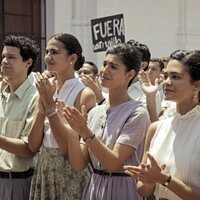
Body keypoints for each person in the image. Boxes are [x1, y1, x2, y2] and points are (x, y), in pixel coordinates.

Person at [60, 43, 150, 200]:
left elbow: (113, 163)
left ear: (130, 74)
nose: (104, 70)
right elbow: (78, 164)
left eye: (113, 67)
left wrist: (85, 131)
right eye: (104, 64)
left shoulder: (137, 113)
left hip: (123, 190)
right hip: (94, 187)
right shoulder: (96, 111)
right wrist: (72, 132)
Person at [124, 50, 200, 200]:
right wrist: (147, 180)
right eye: (166, 76)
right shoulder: (156, 128)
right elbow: (143, 191)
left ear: (196, 85)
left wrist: (165, 179)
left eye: (176, 77)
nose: (166, 82)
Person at [28, 33, 96, 200]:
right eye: (47, 52)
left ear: (72, 58)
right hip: (44, 166)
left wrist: (50, 107)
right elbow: (33, 145)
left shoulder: (84, 94)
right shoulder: (46, 88)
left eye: (54, 52)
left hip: (70, 170)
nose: (48, 57)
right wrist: (41, 111)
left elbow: (67, 148)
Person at [0, 35, 39, 200]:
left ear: (28, 62)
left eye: (11, 57)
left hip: (16, 183)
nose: (4, 61)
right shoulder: (1, 94)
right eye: (3, 56)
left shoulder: (36, 98)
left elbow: (27, 149)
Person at [127, 39, 162, 122]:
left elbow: (152, 124)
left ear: (143, 65)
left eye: (128, 59)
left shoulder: (151, 94)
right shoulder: (114, 87)